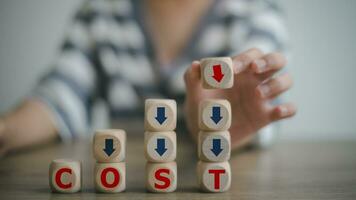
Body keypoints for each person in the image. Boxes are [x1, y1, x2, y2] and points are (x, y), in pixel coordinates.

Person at [0, 0, 296, 156]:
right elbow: (59, 96)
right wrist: (6, 130)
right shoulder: (100, 12)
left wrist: (218, 126)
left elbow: (259, 107)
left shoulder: (255, 12)